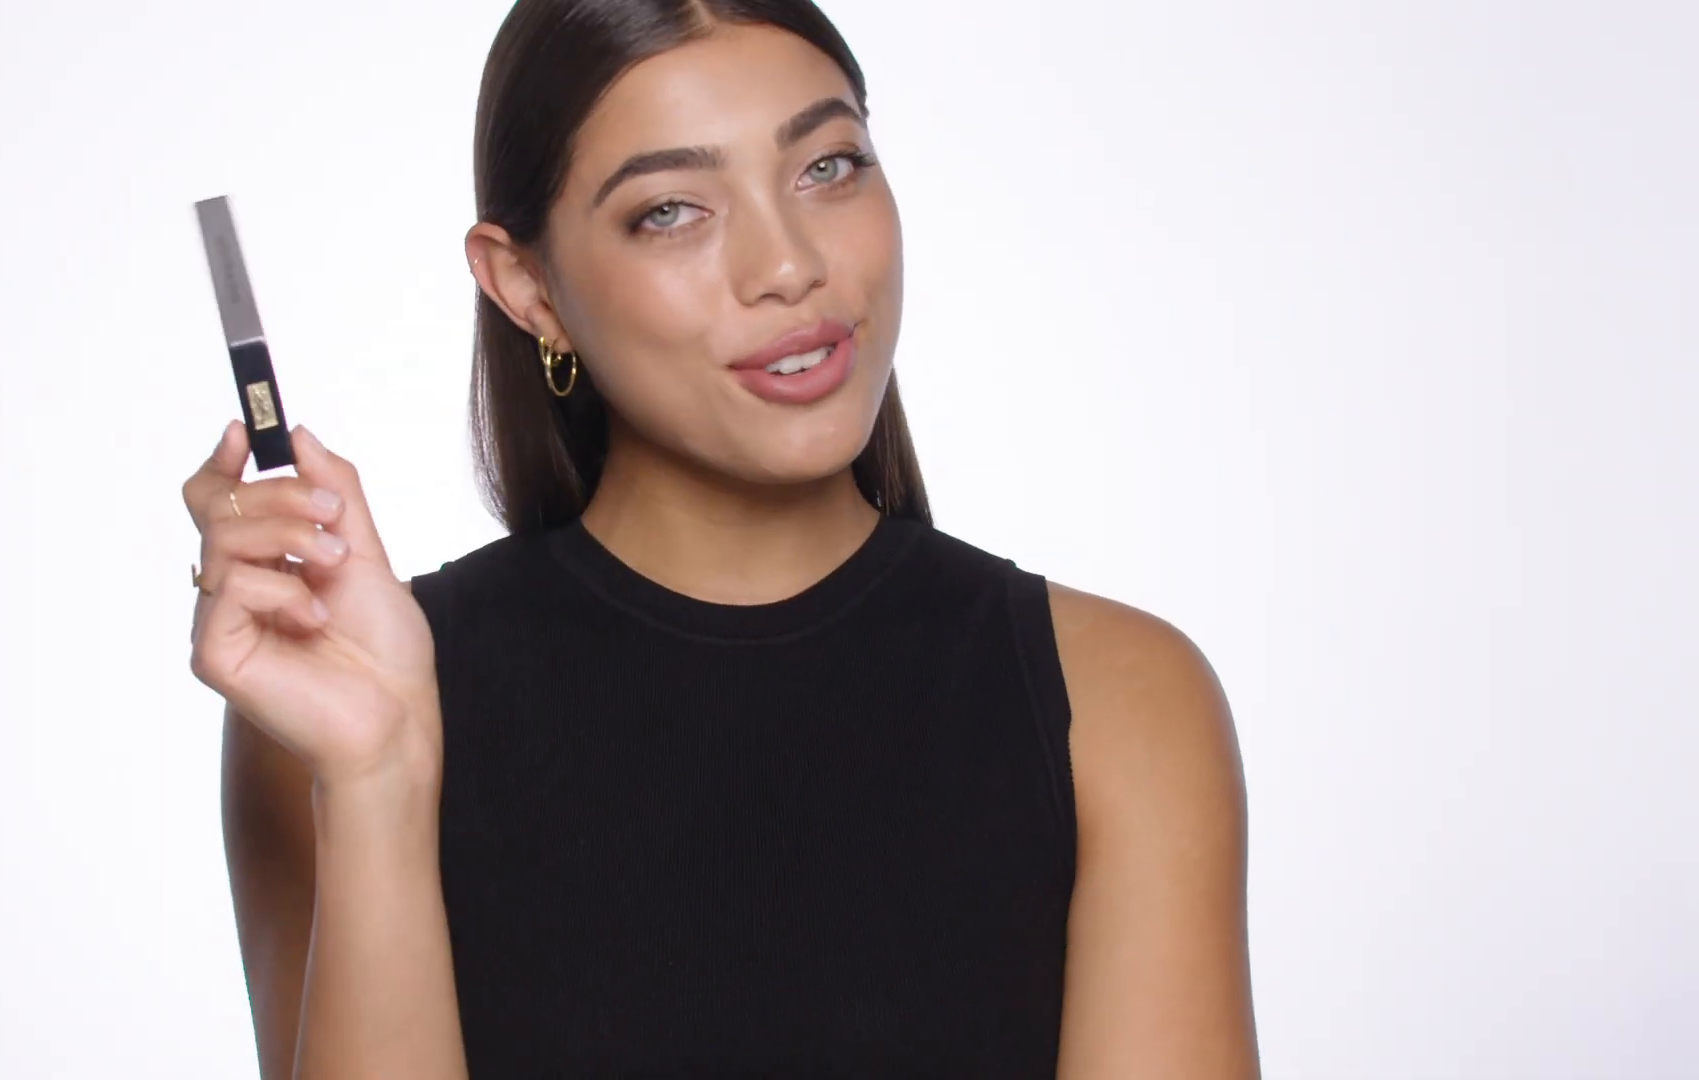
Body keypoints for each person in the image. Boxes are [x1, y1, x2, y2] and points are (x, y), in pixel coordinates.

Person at [182, 0, 1260, 1075]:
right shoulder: (344, 709)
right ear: (527, 286)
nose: (787, 265)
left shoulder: (1118, 704)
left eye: (828, 167)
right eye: (671, 211)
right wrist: (376, 777)